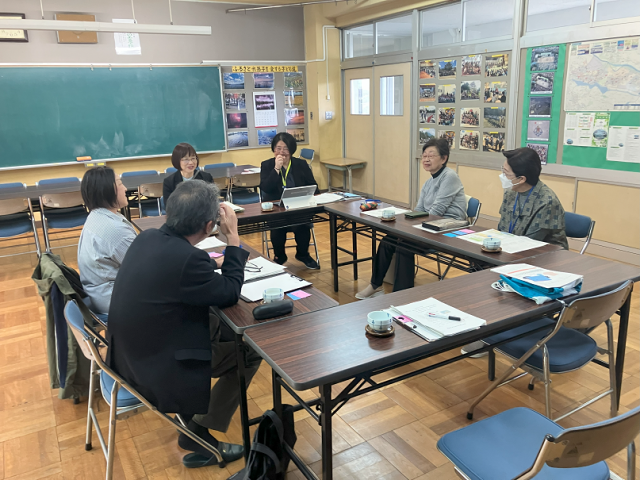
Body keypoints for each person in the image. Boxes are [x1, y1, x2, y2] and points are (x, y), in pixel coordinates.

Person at [107, 180, 261, 466]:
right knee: (250, 351)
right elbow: (229, 292)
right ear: (209, 226)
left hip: (127, 354)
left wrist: (211, 263)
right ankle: (198, 431)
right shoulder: (189, 260)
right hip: (157, 365)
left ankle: (197, 421)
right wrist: (233, 239)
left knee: (217, 321)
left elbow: (177, 266)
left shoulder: (147, 237)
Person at [356, 138, 467, 299]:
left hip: (449, 229)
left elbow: (437, 211)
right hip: (430, 225)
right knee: (389, 239)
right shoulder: (429, 182)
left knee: (404, 244)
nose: (426, 159)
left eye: (431, 156)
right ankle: (375, 285)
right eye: (424, 156)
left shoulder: (450, 177)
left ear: (444, 158)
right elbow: (419, 210)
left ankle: (402, 296)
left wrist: (412, 229)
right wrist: (405, 223)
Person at [77, 166, 136, 315]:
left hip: (100, 295)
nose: (125, 189)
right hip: (115, 302)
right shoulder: (115, 230)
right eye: (120, 184)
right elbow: (145, 267)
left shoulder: (97, 216)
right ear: (107, 190)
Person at [260, 132, 319, 269]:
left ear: (292, 150)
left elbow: (314, 187)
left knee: (303, 224)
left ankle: (303, 254)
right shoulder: (267, 165)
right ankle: (279, 256)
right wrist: (276, 169)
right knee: (277, 226)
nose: (282, 152)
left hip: (298, 207)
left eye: (285, 148)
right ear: (273, 149)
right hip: (277, 209)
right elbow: (266, 188)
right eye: (278, 148)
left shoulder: (301, 164)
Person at [497, 147, 568, 248]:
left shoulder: (547, 202)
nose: (502, 176)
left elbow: (531, 242)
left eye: (506, 173)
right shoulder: (510, 192)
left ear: (521, 179)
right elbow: (502, 228)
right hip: (511, 247)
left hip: (544, 253)